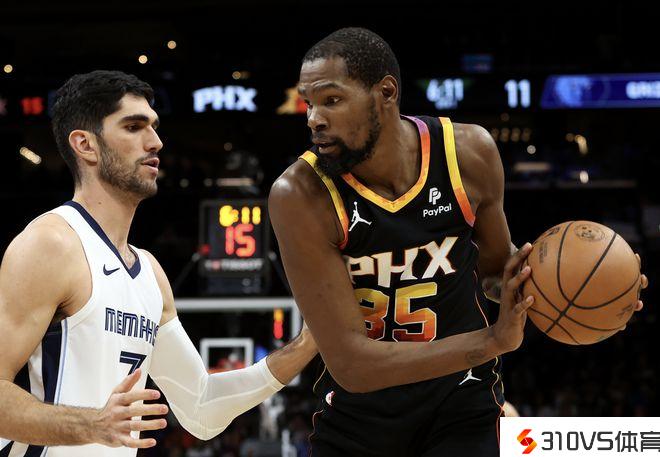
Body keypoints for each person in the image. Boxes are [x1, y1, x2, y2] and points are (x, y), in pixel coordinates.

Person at [268, 28, 647, 456]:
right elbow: (352, 365)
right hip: (360, 417)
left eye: (331, 100)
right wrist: (492, 341)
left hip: (462, 402)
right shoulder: (300, 194)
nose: (314, 118)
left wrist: (600, 289)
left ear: (386, 93)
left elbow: (495, 273)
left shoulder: (467, 154)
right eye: (309, 102)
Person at [0, 70, 318, 457]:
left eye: (153, 126)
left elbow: (201, 408)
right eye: (134, 127)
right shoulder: (51, 244)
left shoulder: (149, 273)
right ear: (85, 145)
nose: (155, 141)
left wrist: (309, 342)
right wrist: (91, 425)